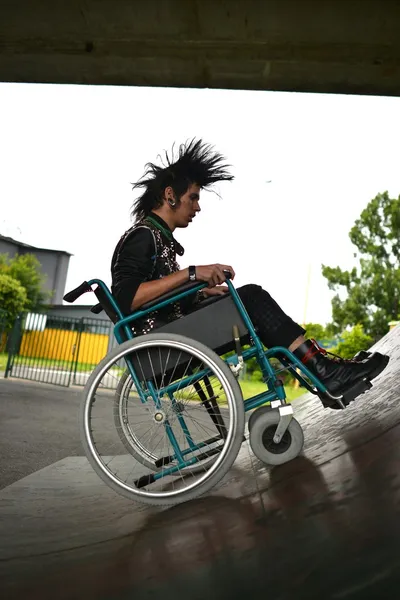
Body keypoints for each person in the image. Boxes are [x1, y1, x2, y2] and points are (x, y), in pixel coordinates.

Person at [111, 139, 389, 408]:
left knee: (250, 303)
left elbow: (157, 298)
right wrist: (192, 274)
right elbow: (129, 299)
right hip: (162, 349)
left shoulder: (156, 237)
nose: (197, 206)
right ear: (170, 195)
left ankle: (322, 372)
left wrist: (200, 291)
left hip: (170, 340)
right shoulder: (142, 236)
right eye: (193, 197)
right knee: (252, 298)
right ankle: (324, 371)